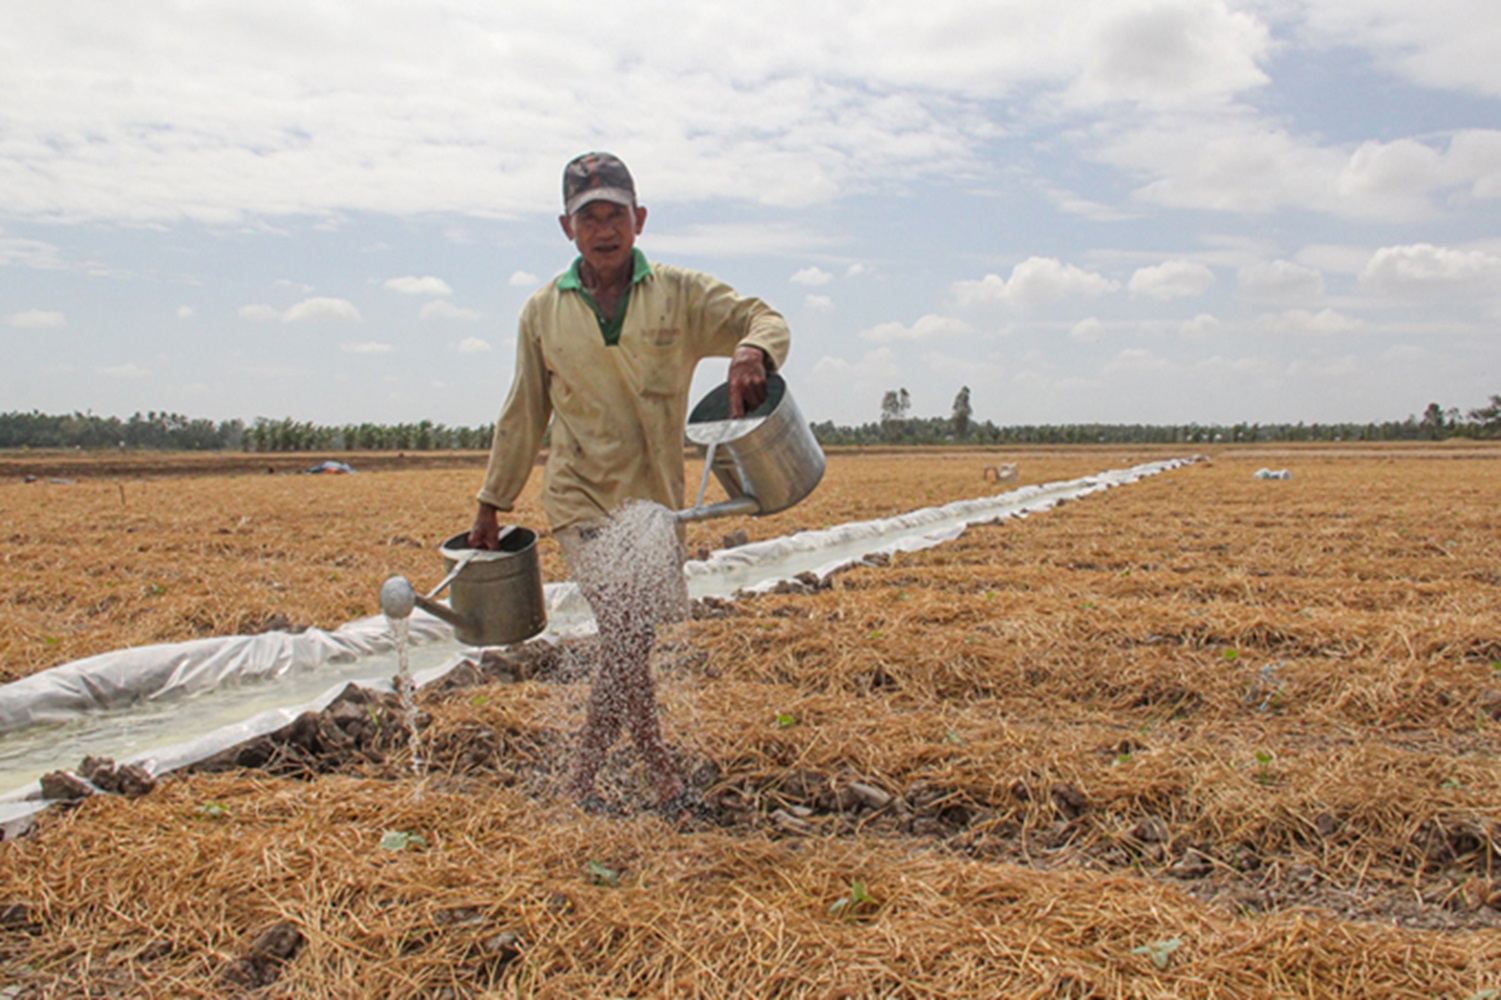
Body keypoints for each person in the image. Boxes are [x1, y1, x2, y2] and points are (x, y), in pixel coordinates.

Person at [467, 152, 790, 817]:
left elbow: (765, 316)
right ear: (567, 228)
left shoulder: (677, 294)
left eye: (616, 214)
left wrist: (751, 350)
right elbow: (524, 408)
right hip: (579, 497)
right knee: (623, 630)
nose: (604, 228)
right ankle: (625, 779)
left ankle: (610, 777)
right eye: (590, 217)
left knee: (629, 642)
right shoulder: (542, 312)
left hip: (651, 504)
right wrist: (490, 502)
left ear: (639, 220)